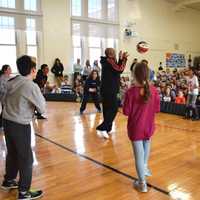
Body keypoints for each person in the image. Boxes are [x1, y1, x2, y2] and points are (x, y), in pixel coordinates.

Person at [1, 55, 46, 200]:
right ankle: (24, 192)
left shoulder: (11, 81)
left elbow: (3, 98)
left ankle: (8, 180)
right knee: (26, 158)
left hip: (7, 122)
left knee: (12, 153)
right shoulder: (31, 86)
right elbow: (42, 108)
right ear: (33, 70)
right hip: (20, 125)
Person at [123, 62, 160, 193]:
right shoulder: (154, 91)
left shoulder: (130, 92)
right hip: (149, 127)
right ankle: (144, 169)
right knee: (145, 149)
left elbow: (126, 112)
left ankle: (142, 183)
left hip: (136, 128)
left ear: (134, 75)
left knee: (138, 155)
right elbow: (156, 109)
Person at [96, 48, 128, 139]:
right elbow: (120, 69)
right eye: (113, 52)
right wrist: (124, 59)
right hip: (110, 90)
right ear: (110, 54)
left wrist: (120, 59)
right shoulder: (109, 61)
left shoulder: (109, 61)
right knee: (114, 108)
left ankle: (107, 128)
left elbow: (116, 69)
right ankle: (103, 127)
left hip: (106, 90)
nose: (115, 53)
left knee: (107, 109)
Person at [0, 65, 12, 130]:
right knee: (4, 111)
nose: (10, 70)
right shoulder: (2, 78)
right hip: (4, 97)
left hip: (10, 97)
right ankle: (1, 125)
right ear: (5, 71)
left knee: (8, 111)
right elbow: (1, 89)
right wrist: (8, 91)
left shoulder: (11, 78)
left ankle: (7, 124)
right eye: (9, 69)